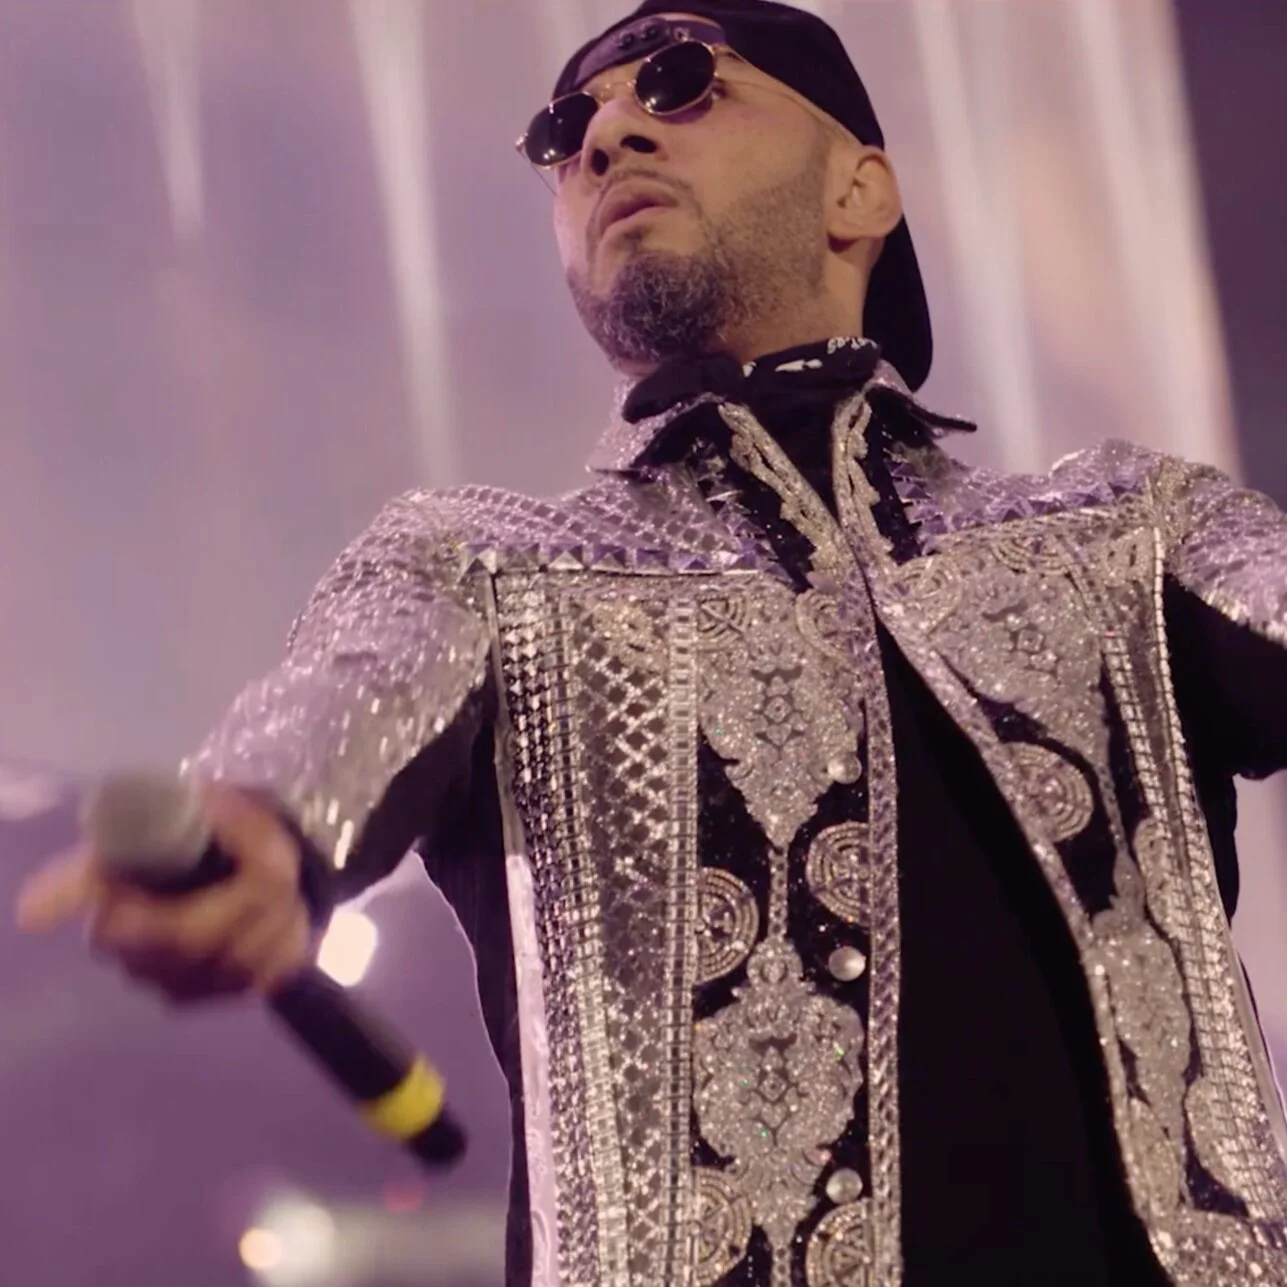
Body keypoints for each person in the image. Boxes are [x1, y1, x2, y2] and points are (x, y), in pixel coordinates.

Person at [16, 3, 1287, 1283]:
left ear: (860, 188)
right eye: (563, 130)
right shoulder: (486, 564)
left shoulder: (1129, 528)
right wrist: (258, 830)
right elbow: (347, 698)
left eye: (682, 84)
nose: (608, 135)